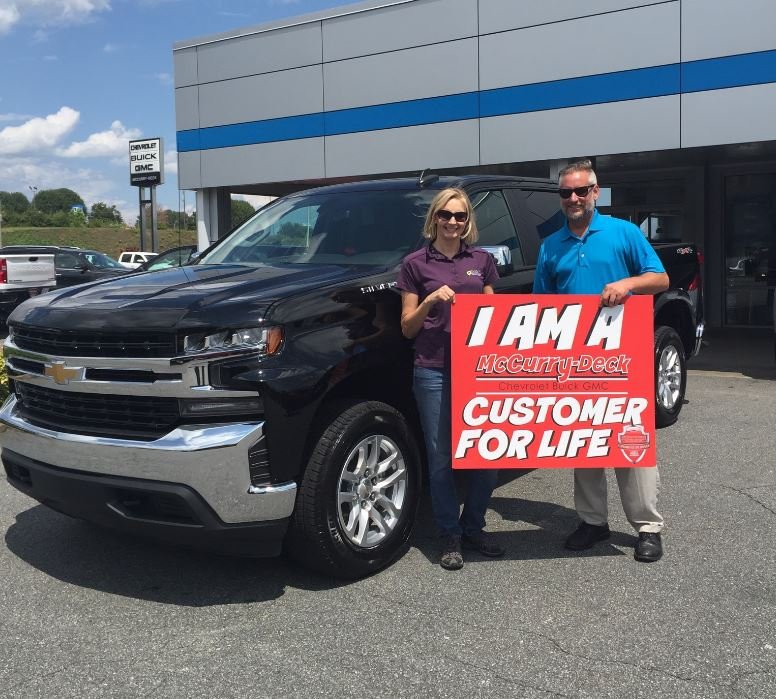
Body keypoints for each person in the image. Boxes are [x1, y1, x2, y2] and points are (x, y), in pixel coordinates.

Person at [533, 159, 670, 562]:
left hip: (624, 359)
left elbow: (660, 278)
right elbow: (541, 305)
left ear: (595, 192)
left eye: (581, 190)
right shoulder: (550, 245)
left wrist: (627, 283)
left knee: (632, 440)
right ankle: (593, 522)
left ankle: (647, 527)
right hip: (574, 361)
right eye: (566, 192)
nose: (573, 198)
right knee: (585, 440)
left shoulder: (623, 232)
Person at [397, 187, 505, 571]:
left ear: (467, 221)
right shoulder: (414, 264)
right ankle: (449, 534)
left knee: (488, 453)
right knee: (441, 457)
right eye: (446, 215)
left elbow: (495, 315)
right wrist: (429, 301)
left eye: (460, 216)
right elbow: (407, 328)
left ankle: (473, 526)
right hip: (433, 368)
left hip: (479, 369)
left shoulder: (482, 260)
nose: (453, 222)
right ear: (435, 218)